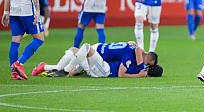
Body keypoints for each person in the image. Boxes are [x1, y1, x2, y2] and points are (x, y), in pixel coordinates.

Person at [32, 41, 162, 78]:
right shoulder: (133, 56)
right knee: (78, 55)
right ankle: (58, 69)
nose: (144, 65)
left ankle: (45, 67)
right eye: (147, 63)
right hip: (101, 61)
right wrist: (139, 74)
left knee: (73, 51)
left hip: (100, 56)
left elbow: (137, 49)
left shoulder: (132, 48)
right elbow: (123, 73)